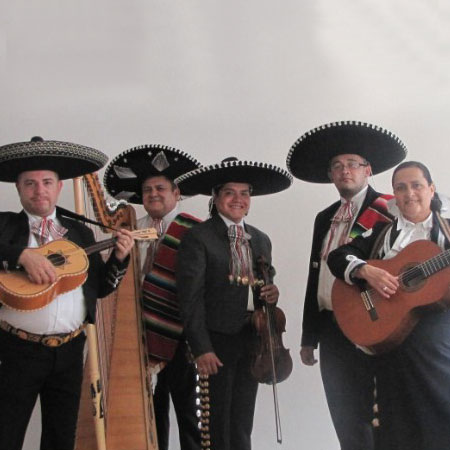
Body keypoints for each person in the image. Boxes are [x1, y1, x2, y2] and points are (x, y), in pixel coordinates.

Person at [0, 137, 134, 450]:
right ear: (19, 189)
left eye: (47, 182)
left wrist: (119, 258)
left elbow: (101, 289)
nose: (39, 190)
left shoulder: (80, 233)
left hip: (70, 351)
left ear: (59, 188)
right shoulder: (5, 226)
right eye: (30, 183)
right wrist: (19, 255)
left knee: (61, 438)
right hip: (19, 351)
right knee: (6, 434)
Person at [286, 121, 407, 450]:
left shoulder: (389, 209)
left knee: (378, 414)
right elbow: (317, 275)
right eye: (337, 166)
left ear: (367, 170)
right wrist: (309, 336)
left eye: (352, 164)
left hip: (372, 322)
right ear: (330, 175)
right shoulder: (324, 217)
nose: (344, 171)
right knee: (345, 414)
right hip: (330, 328)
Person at [328, 161, 450, 450]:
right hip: (390, 346)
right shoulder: (382, 233)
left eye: (417, 185)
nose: (409, 194)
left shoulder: (446, 234)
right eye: (401, 188)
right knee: (395, 428)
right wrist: (366, 271)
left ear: (431, 190)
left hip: (436, 351)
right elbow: (338, 257)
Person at [175, 157, 292, 450]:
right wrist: (201, 348)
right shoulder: (198, 237)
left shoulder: (261, 239)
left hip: (253, 340)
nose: (238, 200)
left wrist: (271, 294)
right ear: (216, 197)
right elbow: (190, 299)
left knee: (242, 420)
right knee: (216, 424)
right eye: (230, 193)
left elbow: (263, 282)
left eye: (244, 193)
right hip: (216, 340)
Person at [104, 144, 203, 450]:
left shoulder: (194, 231)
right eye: (147, 189)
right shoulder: (130, 230)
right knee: (151, 411)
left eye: (161, 188)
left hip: (181, 335)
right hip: (142, 332)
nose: (153, 194)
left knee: (190, 414)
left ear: (177, 193)